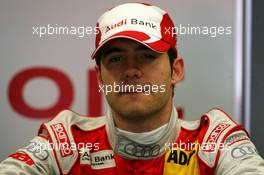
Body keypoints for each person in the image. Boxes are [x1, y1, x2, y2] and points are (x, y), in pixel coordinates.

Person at [0, 2, 264, 175]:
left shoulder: (214, 142)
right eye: (115, 58)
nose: (130, 70)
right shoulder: (66, 141)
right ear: (100, 78)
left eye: (147, 56)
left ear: (176, 70)